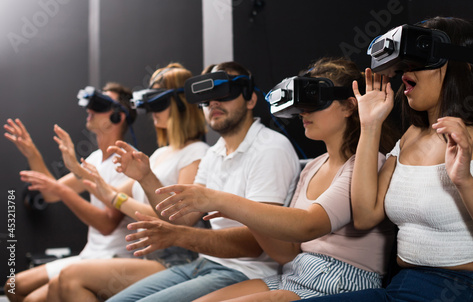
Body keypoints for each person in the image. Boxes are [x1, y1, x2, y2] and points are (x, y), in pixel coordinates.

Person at [151, 57, 396, 301]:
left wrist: (224, 201)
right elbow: (286, 253)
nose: (304, 111)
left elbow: (309, 224)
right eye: (302, 103)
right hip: (296, 272)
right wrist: (241, 212)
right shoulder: (312, 167)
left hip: (340, 282)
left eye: (314, 102)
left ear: (349, 106)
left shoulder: (367, 163)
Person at [301, 17, 473, 302]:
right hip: (401, 284)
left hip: (462, 286)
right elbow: (366, 214)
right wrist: (370, 125)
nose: (405, 72)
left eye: (418, 62)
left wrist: (465, 181)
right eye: (404, 65)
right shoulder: (409, 137)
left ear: (461, 65)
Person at [107, 61, 301, 302]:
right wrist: (146, 177)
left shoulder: (270, 149)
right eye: (206, 97)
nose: (213, 103)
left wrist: (177, 236)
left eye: (223, 92)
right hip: (203, 264)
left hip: (246, 272)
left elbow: (253, 245)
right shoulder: (214, 152)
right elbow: (183, 216)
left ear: (250, 99)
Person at [51, 63, 209, 302]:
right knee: (57, 287)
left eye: (158, 103)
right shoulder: (160, 154)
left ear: (180, 105)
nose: (152, 111)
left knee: (70, 278)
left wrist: (120, 195)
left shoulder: (197, 152)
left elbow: (178, 221)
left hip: (176, 261)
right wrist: (78, 171)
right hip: (148, 259)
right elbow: (113, 194)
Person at [3, 82, 137, 302]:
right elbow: (51, 194)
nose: (90, 110)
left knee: (31, 299)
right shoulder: (95, 159)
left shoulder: (127, 162)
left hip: (114, 259)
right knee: (13, 286)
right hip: (90, 255)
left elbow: (106, 224)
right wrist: (33, 154)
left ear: (118, 117)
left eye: (99, 105)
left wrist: (60, 190)